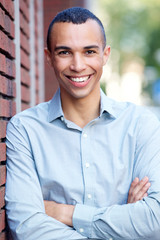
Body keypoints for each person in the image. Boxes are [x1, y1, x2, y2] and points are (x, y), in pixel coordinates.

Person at [5, 7, 160, 240]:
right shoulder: (25, 130)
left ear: (105, 54)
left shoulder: (140, 125)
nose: (78, 65)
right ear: (49, 57)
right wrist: (123, 222)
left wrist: (65, 213)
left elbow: (154, 221)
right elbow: (27, 227)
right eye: (65, 52)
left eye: (89, 52)